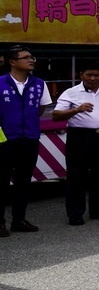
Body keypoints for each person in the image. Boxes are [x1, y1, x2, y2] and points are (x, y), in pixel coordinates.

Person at [53, 61, 99, 225]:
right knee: (77, 176)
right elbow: (56, 115)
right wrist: (76, 110)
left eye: (96, 75)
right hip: (80, 137)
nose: (92, 78)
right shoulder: (71, 93)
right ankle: (75, 214)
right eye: (89, 75)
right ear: (80, 75)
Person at [0, 45, 53, 236]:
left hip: (29, 138)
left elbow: (40, 108)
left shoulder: (39, 83)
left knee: (23, 182)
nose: (31, 60)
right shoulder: (1, 83)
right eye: (26, 57)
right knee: (2, 182)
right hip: (4, 140)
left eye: (32, 57)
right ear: (12, 62)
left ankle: (19, 220)